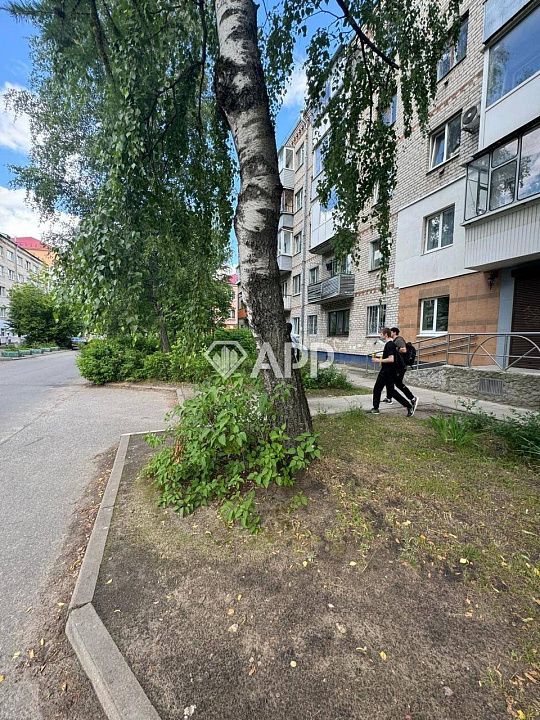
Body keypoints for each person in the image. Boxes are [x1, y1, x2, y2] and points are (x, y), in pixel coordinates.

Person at [367, 327, 416, 416]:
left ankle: (376, 408)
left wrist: (378, 360)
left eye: (381, 334)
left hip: (387, 372)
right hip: (388, 371)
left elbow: (391, 359)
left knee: (380, 389)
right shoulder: (391, 344)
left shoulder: (389, 345)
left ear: (386, 334)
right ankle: (408, 406)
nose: (380, 336)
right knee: (388, 391)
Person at [382, 327, 418, 410]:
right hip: (396, 366)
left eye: (391, 332)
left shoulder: (399, 340)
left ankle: (412, 398)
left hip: (401, 366)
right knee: (390, 381)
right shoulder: (393, 341)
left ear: (394, 332)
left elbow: (404, 350)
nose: (389, 333)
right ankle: (389, 398)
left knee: (398, 383)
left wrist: (395, 349)